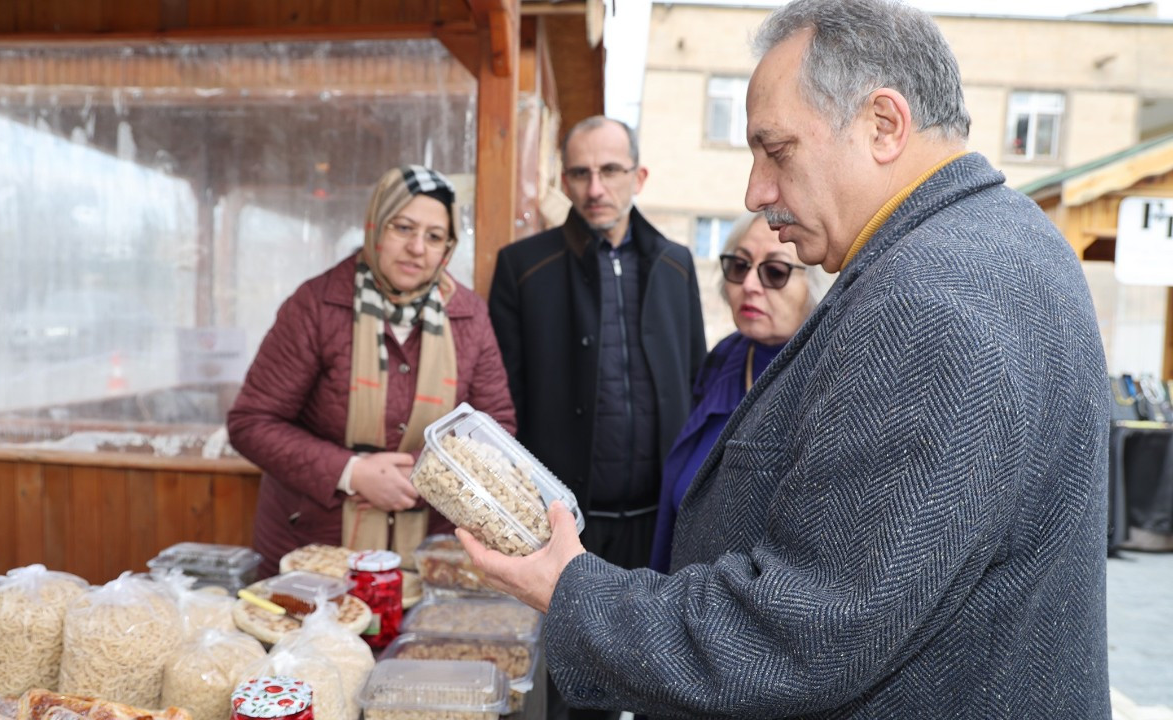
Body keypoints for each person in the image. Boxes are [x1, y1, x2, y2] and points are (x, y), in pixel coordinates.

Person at [459, 1, 1112, 718]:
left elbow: (802, 636)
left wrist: (572, 589)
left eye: (777, 150)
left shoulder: (928, 298)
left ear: (883, 125)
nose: (755, 191)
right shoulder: (1011, 235)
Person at [488, 115, 705, 720]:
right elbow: (504, 407)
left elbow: (691, 382)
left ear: (638, 175)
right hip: (563, 526)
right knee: (564, 695)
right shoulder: (521, 268)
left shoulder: (676, 264)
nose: (595, 188)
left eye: (610, 170)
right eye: (580, 173)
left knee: (659, 685)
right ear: (563, 180)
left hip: (654, 526)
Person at [227, 165, 515, 577]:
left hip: (426, 557)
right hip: (314, 553)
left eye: (434, 237)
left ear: (447, 248)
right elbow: (251, 422)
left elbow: (495, 427)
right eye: (403, 228)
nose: (417, 247)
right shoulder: (316, 305)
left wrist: (424, 476)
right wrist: (353, 473)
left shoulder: (469, 316)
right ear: (375, 227)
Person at [650, 213, 834, 573]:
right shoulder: (726, 357)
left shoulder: (829, 379)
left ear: (815, 284)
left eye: (775, 272)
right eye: (739, 265)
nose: (750, 284)